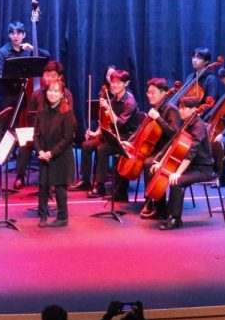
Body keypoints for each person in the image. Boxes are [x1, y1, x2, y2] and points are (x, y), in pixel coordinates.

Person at [148, 95, 216, 230]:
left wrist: (178, 173)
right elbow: (174, 144)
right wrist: (161, 163)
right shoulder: (186, 123)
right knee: (155, 169)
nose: (180, 111)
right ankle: (161, 209)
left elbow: (191, 153)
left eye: (184, 108)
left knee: (176, 181)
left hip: (202, 169)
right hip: (190, 166)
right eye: (180, 107)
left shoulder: (199, 127)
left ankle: (175, 219)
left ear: (194, 110)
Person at [70, 68, 137, 199]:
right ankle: (85, 180)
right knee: (86, 145)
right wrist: (96, 133)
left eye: (119, 82)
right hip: (112, 134)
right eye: (113, 82)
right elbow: (105, 122)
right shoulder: (114, 100)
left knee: (103, 149)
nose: (115, 85)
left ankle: (99, 185)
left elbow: (119, 124)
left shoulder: (130, 102)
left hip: (126, 136)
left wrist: (108, 108)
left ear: (126, 84)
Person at [13, 60, 73, 189]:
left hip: (57, 137)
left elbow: (68, 122)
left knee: (55, 145)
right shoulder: (37, 94)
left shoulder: (66, 94)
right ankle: (20, 176)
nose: (49, 78)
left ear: (59, 77)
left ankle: (56, 178)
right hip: (41, 135)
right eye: (46, 75)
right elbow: (31, 117)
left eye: (53, 75)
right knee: (25, 145)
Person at [130, 78, 183, 220]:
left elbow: (175, 133)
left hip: (169, 150)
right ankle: (150, 201)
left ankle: (160, 207)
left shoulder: (170, 108)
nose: (150, 95)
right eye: (148, 92)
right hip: (157, 148)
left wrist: (158, 118)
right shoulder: (157, 108)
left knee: (148, 163)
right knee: (140, 159)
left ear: (164, 93)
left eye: (153, 92)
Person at [33, 80, 76, 227]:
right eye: (50, 90)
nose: (52, 93)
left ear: (62, 94)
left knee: (59, 187)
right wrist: (40, 150)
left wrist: (51, 153)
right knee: (43, 185)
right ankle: (43, 215)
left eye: (56, 91)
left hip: (60, 154)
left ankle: (63, 217)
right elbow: (36, 134)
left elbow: (67, 138)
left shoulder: (67, 111)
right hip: (44, 152)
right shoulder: (41, 109)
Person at [0, 19, 46, 117]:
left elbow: (47, 56)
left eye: (18, 33)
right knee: (6, 124)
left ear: (24, 35)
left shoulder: (27, 50)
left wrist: (33, 49)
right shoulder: (3, 52)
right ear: (9, 35)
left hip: (23, 93)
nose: (15, 36)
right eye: (12, 33)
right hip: (7, 94)